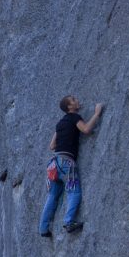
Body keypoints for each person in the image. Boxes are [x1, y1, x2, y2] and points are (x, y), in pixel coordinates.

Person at [38, 95, 103, 237]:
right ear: (69, 107)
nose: (77, 100)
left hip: (53, 164)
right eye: (73, 100)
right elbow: (85, 129)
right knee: (74, 191)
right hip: (66, 162)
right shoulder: (74, 117)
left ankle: (43, 229)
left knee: (52, 195)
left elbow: (52, 145)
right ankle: (69, 222)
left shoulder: (59, 123)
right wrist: (97, 113)